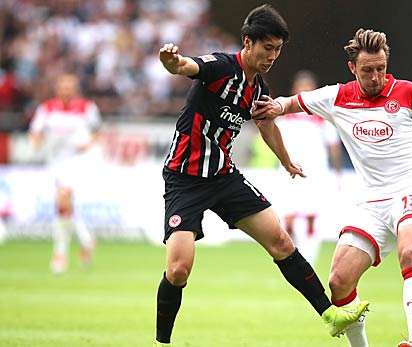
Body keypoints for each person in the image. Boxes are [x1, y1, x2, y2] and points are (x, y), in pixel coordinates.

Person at [154, 5, 368, 346]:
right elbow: (186, 65)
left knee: (281, 242)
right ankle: (161, 342)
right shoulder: (223, 66)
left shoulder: (257, 87)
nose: (272, 56)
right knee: (178, 270)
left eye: (277, 49)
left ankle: (330, 315)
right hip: (185, 177)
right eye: (267, 48)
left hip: (224, 176)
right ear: (247, 42)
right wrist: (171, 62)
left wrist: (286, 161)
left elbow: (267, 124)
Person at [253, 28, 412, 347]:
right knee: (338, 282)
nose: (376, 76)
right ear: (353, 68)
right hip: (371, 205)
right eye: (368, 70)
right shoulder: (337, 97)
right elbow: (292, 103)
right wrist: (273, 107)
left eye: (381, 68)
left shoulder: (409, 93)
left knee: (409, 251)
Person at [29, 73, 101, 274]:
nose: (66, 90)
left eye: (70, 86)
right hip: (55, 162)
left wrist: (88, 144)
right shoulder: (47, 109)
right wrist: (36, 144)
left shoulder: (87, 107)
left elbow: (97, 132)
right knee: (63, 206)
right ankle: (86, 239)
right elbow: (35, 132)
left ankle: (59, 254)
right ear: (57, 88)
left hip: (79, 161)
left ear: (75, 88)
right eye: (63, 86)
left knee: (63, 198)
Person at [274, 70, 342, 266]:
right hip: (289, 173)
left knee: (311, 217)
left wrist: (337, 173)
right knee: (288, 219)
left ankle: (310, 258)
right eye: (301, 87)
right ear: (295, 90)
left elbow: (334, 146)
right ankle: (293, 258)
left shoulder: (322, 117)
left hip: (315, 172)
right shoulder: (283, 116)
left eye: (308, 88)